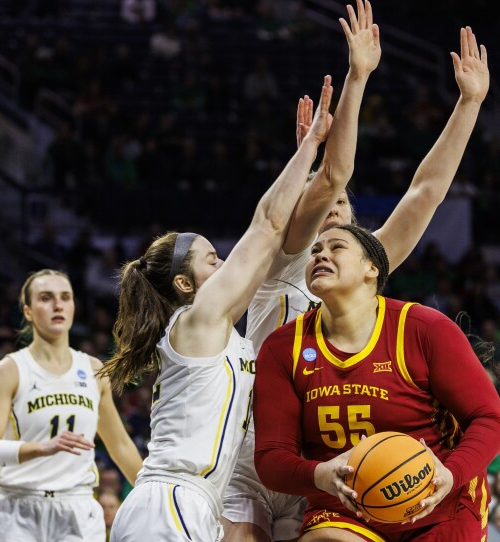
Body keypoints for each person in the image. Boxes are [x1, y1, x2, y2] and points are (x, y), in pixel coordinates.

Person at [228, 13, 492, 542]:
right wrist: (355, 80)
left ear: (366, 256)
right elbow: (332, 176)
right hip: (263, 453)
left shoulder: (366, 269)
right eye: (320, 208)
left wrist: (468, 105)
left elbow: (425, 192)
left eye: (341, 213)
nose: (330, 213)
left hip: (344, 465)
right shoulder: (286, 258)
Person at [100, 75, 335, 542]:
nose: (226, 263)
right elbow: (267, 225)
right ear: (185, 284)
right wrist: (307, 149)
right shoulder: (196, 320)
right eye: (213, 259)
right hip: (172, 500)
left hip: (189, 503)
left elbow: (270, 247)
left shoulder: (214, 330)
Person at [253, 223, 500, 540]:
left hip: (439, 503)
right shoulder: (282, 348)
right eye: (315, 251)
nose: (320, 255)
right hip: (346, 510)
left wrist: (450, 474)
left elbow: (490, 418)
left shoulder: (423, 328)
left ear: (371, 268)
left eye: (336, 248)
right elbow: (271, 458)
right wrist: (319, 473)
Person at [0, 270, 144, 541]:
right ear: (28, 311)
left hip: (77, 507)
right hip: (17, 508)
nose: (58, 305)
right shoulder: (10, 370)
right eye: (46, 298)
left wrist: (153, 494)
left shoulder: (93, 369)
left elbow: (120, 445)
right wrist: (40, 448)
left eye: (66, 297)